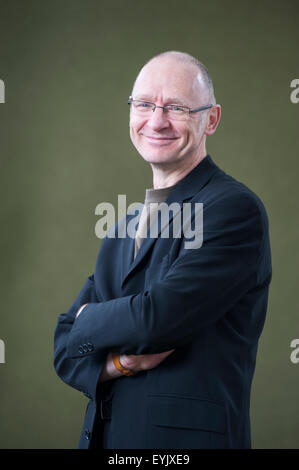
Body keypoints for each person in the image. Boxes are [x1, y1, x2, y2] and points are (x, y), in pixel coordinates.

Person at [54, 51, 272, 449]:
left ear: (211, 119)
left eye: (176, 107)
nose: (156, 121)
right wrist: (121, 362)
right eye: (144, 104)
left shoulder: (232, 210)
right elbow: (64, 349)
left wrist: (86, 317)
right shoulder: (123, 224)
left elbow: (156, 320)